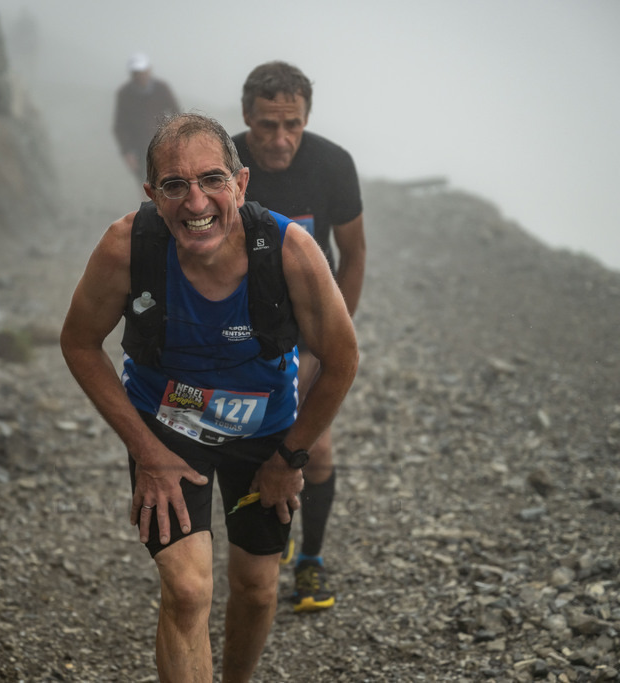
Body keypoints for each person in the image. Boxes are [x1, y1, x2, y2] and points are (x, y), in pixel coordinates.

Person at [60, 113, 358, 682]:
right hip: (166, 432)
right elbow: (78, 342)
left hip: (265, 435)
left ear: (241, 184)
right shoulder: (128, 247)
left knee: (256, 587)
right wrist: (147, 452)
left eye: (212, 180)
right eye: (175, 185)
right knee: (189, 588)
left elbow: (342, 361)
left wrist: (290, 458)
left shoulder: (288, 251)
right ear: (152, 194)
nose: (195, 202)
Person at [232, 61, 366, 613]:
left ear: (307, 118)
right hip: (241, 328)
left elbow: (353, 253)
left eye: (293, 124)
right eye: (267, 125)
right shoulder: (226, 164)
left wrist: (332, 340)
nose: (281, 139)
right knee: (249, 440)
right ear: (246, 118)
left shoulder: (333, 165)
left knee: (315, 445)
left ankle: (310, 560)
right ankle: (268, 545)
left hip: (311, 328)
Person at [113, 52, 180, 182]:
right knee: (146, 185)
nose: (140, 76)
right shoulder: (125, 94)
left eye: (143, 71)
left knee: (170, 181)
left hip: (164, 145)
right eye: (136, 72)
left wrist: (177, 140)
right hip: (139, 149)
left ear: (149, 70)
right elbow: (120, 126)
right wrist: (127, 152)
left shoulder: (162, 89)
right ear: (131, 74)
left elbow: (176, 115)